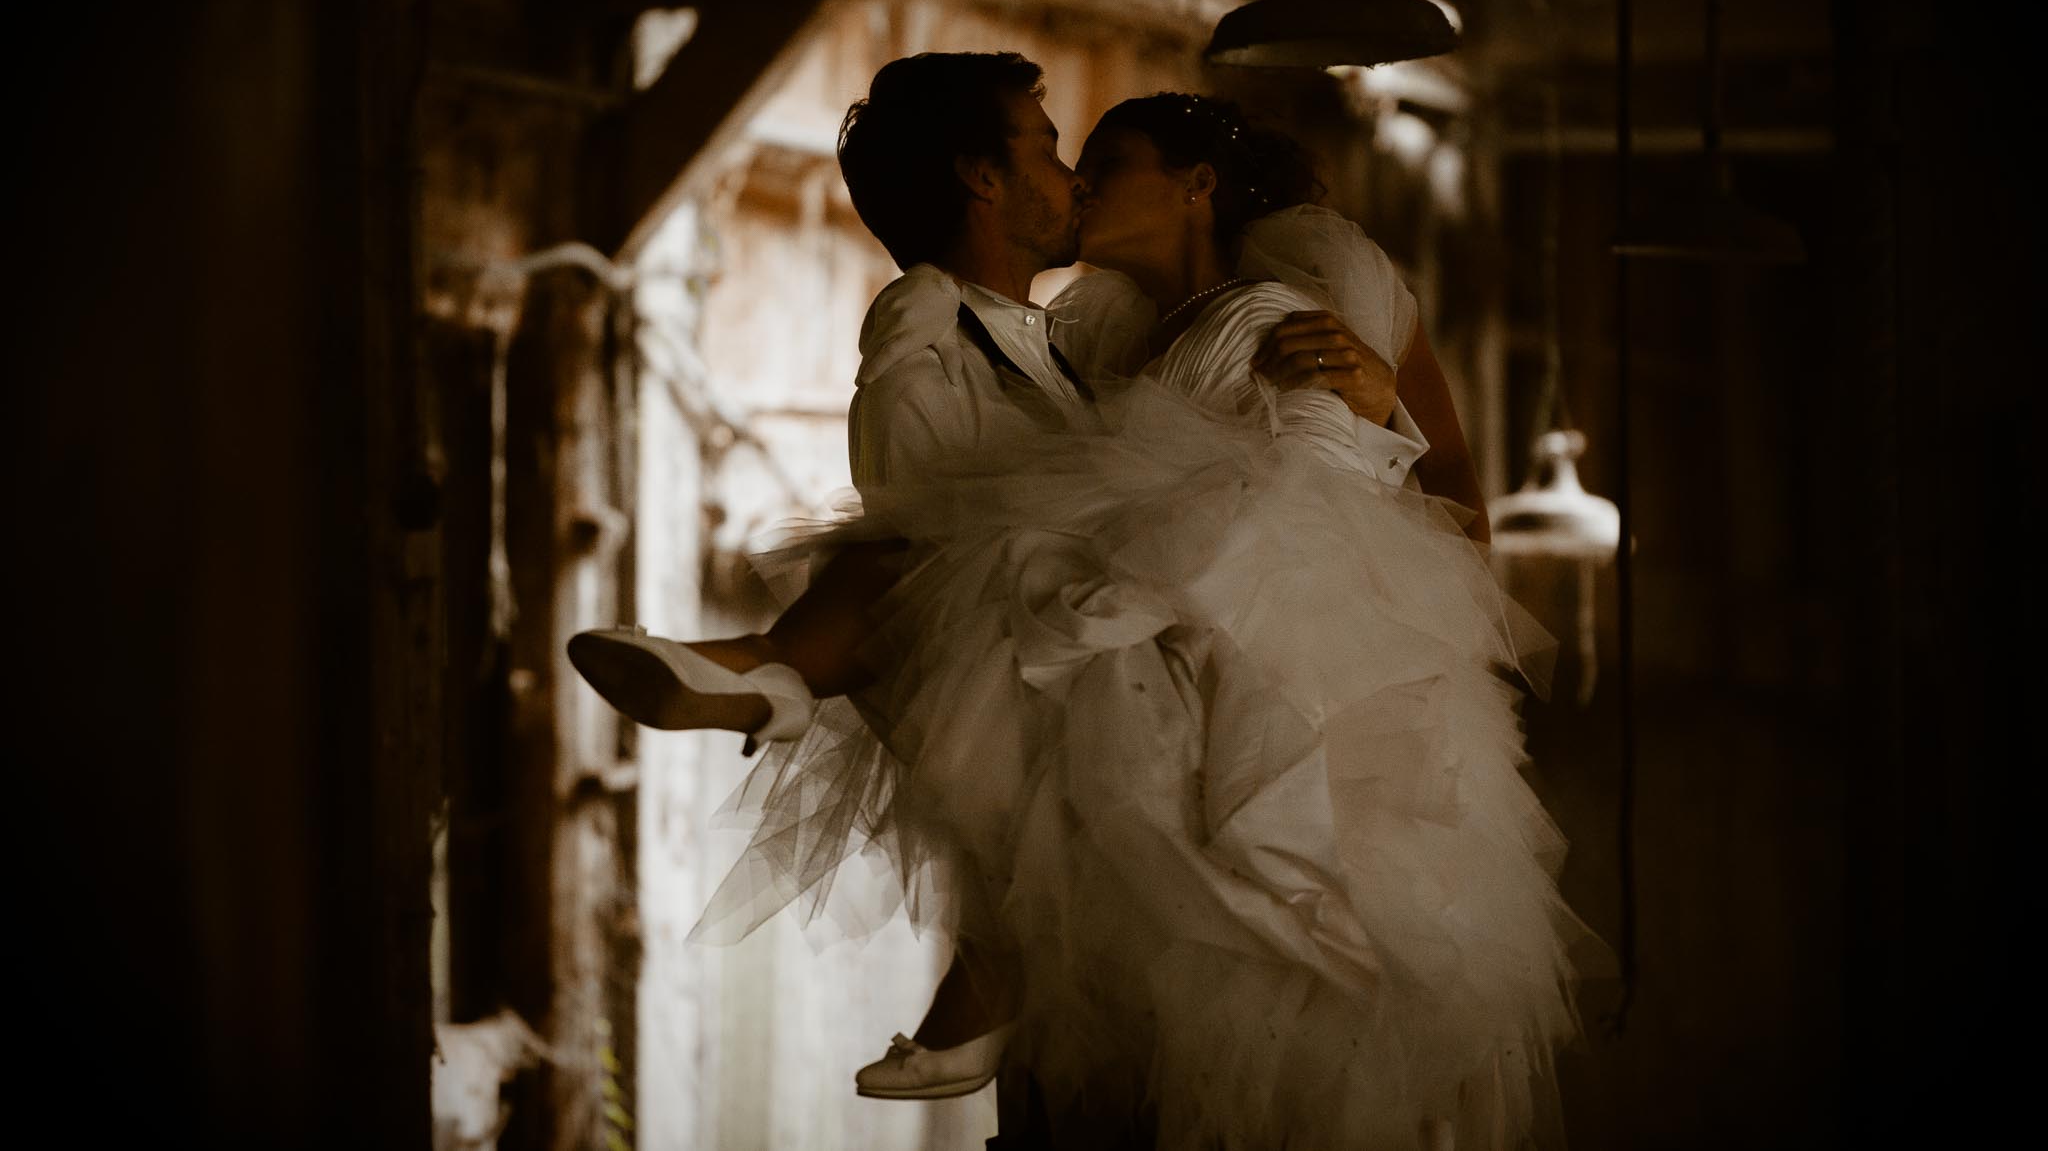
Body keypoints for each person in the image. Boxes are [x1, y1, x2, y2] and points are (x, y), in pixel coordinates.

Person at [576, 92, 1586, 1149]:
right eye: (1069, 156)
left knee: (1010, 579)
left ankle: (804, 711)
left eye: (1108, 159)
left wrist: (1376, 413)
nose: (1082, 182)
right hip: (1170, 601)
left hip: (1266, 618)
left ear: (1197, 184)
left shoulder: (1286, 312)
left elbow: (1332, 483)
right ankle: (789, 689)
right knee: (952, 568)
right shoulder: (1100, 343)